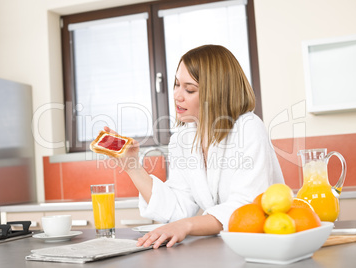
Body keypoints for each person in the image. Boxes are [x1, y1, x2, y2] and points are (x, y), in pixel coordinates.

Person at [105, 44, 284, 249]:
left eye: (189, 89)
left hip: (266, 247)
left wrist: (186, 226)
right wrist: (132, 167)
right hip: (228, 248)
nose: (176, 95)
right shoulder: (185, 137)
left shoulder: (249, 128)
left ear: (217, 92)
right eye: (176, 84)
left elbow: (247, 207)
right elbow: (177, 207)